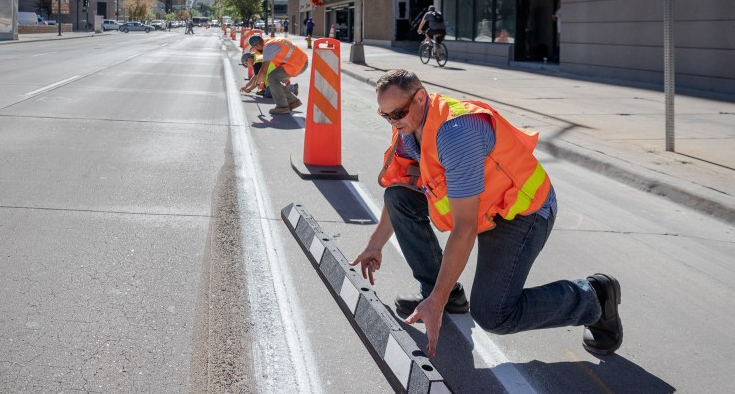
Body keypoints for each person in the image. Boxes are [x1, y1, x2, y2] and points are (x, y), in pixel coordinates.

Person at [350, 69, 623, 358]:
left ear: (420, 98)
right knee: (398, 196)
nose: (393, 122)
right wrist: (374, 245)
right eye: (386, 116)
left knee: (494, 314)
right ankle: (443, 292)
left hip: (521, 212)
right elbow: (403, 187)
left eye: (398, 113)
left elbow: (464, 228)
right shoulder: (409, 128)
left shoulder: (456, 135)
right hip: (483, 205)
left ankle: (594, 297)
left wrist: (435, 302)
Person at [240, 34, 308, 115]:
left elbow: (263, 70)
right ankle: (292, 101)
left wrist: (258, 83)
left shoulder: (268, 48)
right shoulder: (271, 42)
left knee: (272, 78)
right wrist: (287, 77)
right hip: (300, 62)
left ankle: (283, 107)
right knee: (274, 79)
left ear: (257, 46)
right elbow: (282, 61)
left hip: (297, 64)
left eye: (254, 48)